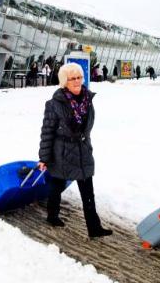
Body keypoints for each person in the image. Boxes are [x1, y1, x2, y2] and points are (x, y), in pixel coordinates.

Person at [37, 63, 112, 239]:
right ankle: (52, 216)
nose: (77, 81)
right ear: (64, 82)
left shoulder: (87, 99)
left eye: (79, 77)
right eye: (72, 78)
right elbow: (47, 132)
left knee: (88, 192)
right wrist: (44, 158)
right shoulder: (54, 104)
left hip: (83, 150)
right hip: (61, 152)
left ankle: (94, 228)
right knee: (57, 186)